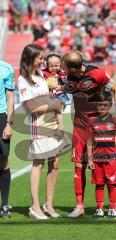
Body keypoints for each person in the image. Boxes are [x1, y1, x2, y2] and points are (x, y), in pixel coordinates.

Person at [61, 50, 116, 218]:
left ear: (73, 70)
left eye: (65, 68)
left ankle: (113, 206)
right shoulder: (67, 76)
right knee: (78, 165)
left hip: (99, 128)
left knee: (106, 166)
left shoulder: (97, 74)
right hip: (80, 127)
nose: (64, 71)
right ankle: (80, 206)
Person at [18, 44, 65, 220]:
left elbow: (55, 97)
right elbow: (30, 107)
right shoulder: (23, 79)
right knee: (38, 163)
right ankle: (35, 207)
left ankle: (49, 205)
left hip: (54, 121)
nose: (43, 61)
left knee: (55, 163)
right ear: (30, 59)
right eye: (40, 58)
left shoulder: (41, 75)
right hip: (39, 125)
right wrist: (54, 104)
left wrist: (59, 120)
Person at [87, 91, 116, 218]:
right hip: (97, 159)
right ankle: (99, 209)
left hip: (111, 159)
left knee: (112, 184)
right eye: (99, 105)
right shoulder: (92, 121)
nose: (102, 107)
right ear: (96, 106)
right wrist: (89, 159)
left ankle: (113, 208)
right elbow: (89, 141)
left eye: (105, 105)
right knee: (99, 184)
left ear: (109, 105)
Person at [0, 60, 15, 218]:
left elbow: (11, 98)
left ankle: (4, 205)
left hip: (1, 118)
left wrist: (9, 124)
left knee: (3, 160)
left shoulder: (6, 68)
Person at [43, 53, 69, 131]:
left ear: (60, 64)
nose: (54, 68)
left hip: (59, 95)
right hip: (50, 96)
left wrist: (60, 76)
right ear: (47, 65)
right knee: (53, 112)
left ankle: (61, 126)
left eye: (56, 65)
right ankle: (56, 126)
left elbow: (67, 82)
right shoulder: (45, 73)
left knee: (57, 111)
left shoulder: (62, 73)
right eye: (51, 66)